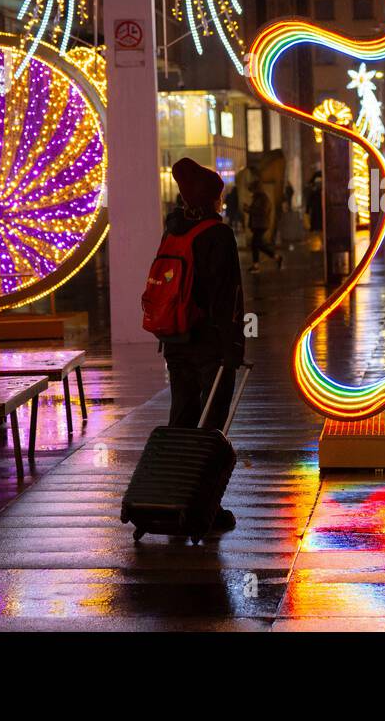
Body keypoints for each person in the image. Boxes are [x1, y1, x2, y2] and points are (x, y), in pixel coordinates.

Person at [161, 158, 246, 530]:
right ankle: (204, 508)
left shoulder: (174, 229)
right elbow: (226, 298)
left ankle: (170, 500)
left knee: (181, 421)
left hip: (176, 342)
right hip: (210, 346)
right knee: (212, 429)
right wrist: (234, 347)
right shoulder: (217, 234)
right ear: (212, 198)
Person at [244, 179, 283, 273]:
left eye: (252, 189)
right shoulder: (257, 197)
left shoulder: (262, 198)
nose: (251, 191)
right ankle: (275, 258)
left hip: (261, 224)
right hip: (258, 224)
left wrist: (248, 209)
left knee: (256, 244)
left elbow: (262, 211)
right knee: (257, 244)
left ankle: (257, 265)